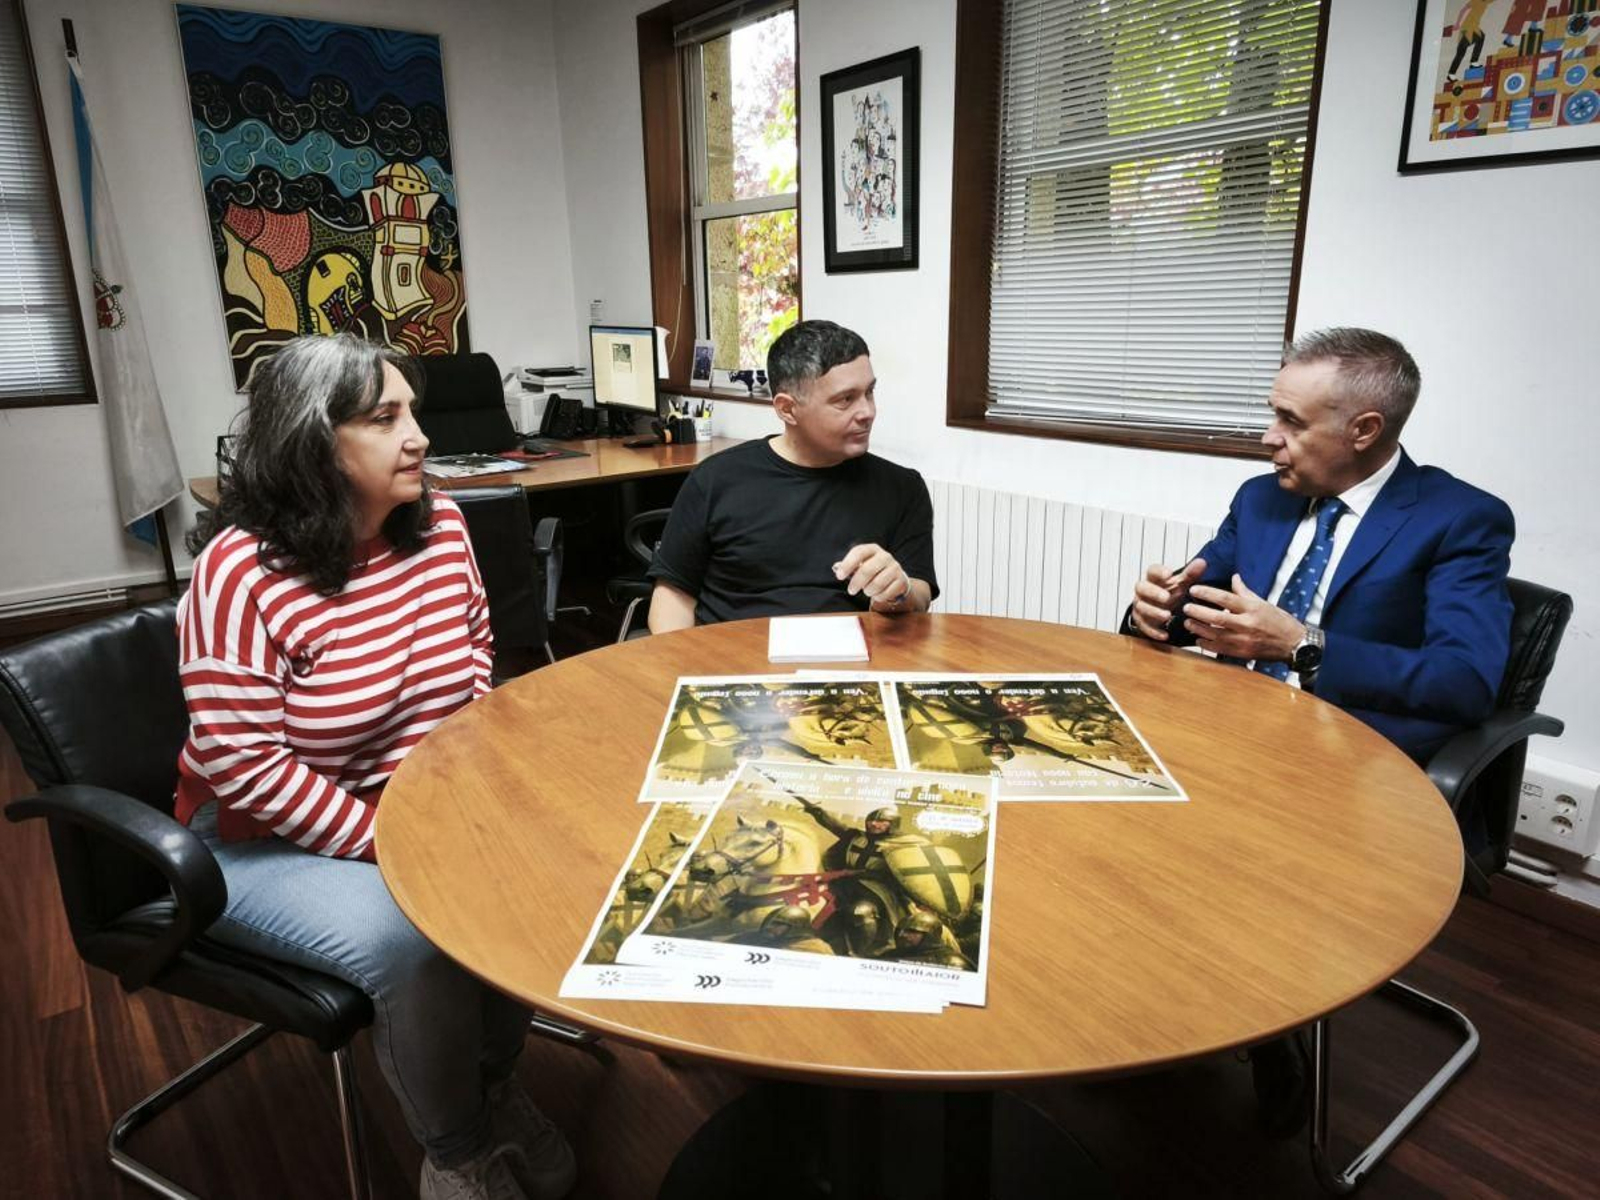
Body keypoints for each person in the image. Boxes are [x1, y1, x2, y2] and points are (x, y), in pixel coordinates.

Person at [177, 335, 575, 1200]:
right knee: (415, 940)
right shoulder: (238, 572)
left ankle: (494, 1087)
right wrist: (396, 840)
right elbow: (245, 766)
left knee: (522, 872)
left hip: (409, 802)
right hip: (262, 834)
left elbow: (476, 656)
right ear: (313, 443)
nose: (419, 437)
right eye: (385, 418)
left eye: (413, 413)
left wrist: (456, 800)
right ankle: (457, 1151)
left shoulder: (440, 527)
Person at [1123, 326, 1514, 1137]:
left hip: (1350, 766)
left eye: (1291, 421)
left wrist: (1302, 644)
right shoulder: (1261, 498)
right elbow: (1200, 612)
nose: (1269, 437)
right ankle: (1145, 1003)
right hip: (1227, 734)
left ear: (1364, 429)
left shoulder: (1461, 520)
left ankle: (1273, 1027)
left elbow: (1466, 681)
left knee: (1232, 851)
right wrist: (1154, 611)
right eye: (1274, 414)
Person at [646, 319, 939, 632]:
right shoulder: (715, 480)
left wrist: (899, 591)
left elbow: (920, 595)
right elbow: (672, 599)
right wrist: (681, 660)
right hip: (734, 653)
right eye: (846, 399)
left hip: (854, 654)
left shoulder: (903, 488)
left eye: (869, 392)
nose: (867, 411)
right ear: (787, 409)